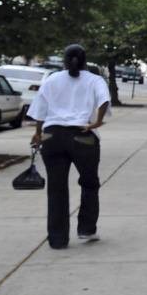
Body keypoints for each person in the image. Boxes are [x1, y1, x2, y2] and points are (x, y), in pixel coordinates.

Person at [27, 44, 110, 249]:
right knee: (89, 183)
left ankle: (57, 239)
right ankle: (86, 229)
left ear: (64, 61)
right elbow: (104, 101)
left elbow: (40, 110)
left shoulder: (52, 79)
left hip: (52, 136)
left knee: (56, 189)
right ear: (84, 61)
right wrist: (97, 122)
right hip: (82, 136)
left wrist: (39, 133)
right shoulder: (95, 80)